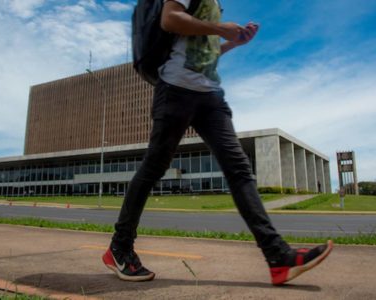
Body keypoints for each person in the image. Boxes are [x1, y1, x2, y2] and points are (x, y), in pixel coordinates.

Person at [102, 0, 332, 285]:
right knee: (153, 169)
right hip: (175, 89)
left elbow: (201, 52)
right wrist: (220, 28)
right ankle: (119, 248)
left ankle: (278, 258)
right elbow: (170, 19)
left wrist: (233, 42)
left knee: (239, 169)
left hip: (209, 94)